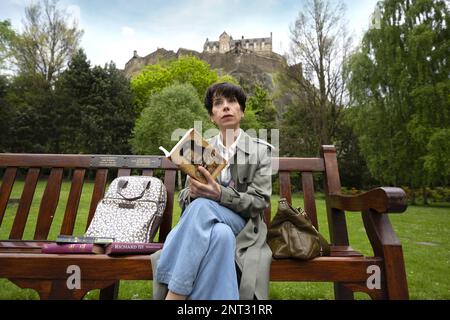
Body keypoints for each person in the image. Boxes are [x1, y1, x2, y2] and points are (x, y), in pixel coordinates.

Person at [150, 82, 273, 300]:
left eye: (232, 101)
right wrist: (193, 192)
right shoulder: (200, 148)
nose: (226, 107)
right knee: (220, 235)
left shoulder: (260, 150)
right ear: (211, 116)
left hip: (244, 226)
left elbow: (259, 202)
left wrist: (218, 195)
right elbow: (185, 199)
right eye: (218, 103)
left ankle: (174, 294)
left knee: (204, 206)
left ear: (242, 111)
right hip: (211, 225)